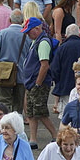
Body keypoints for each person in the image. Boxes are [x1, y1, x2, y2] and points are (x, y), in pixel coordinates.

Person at [21, 17, 57, 148]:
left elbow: (44, 65)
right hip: (32, 82)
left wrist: (37, 83)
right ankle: (33, 139)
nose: (27, 34)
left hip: (38, 84)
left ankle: (55, 136)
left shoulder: (42, 43)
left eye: (29, 31)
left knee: (40, 112)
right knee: (31, 112)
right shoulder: (37, 41)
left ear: (37, 29)